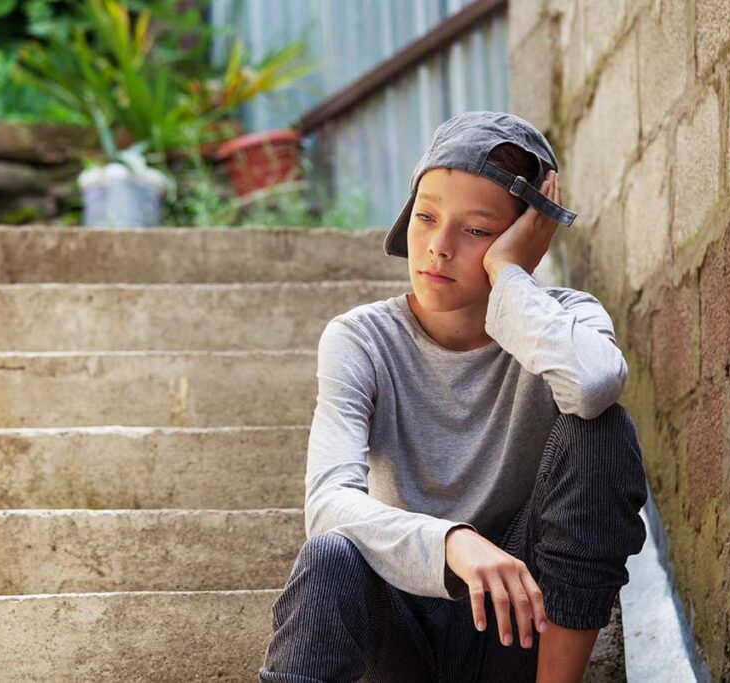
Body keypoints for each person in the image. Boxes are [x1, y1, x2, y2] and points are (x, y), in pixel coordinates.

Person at [259, 111, 648, 683]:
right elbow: (327, 505)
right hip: (398, 626)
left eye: (477, 231)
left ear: (526, 236)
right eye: (426, 217)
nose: (438, 248)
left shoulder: (565, 321)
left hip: (518, 623)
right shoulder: (360, 339)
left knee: (602, 428)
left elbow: (592, 387)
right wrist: (452, 543)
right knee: (329, 556)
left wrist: (509, 275)